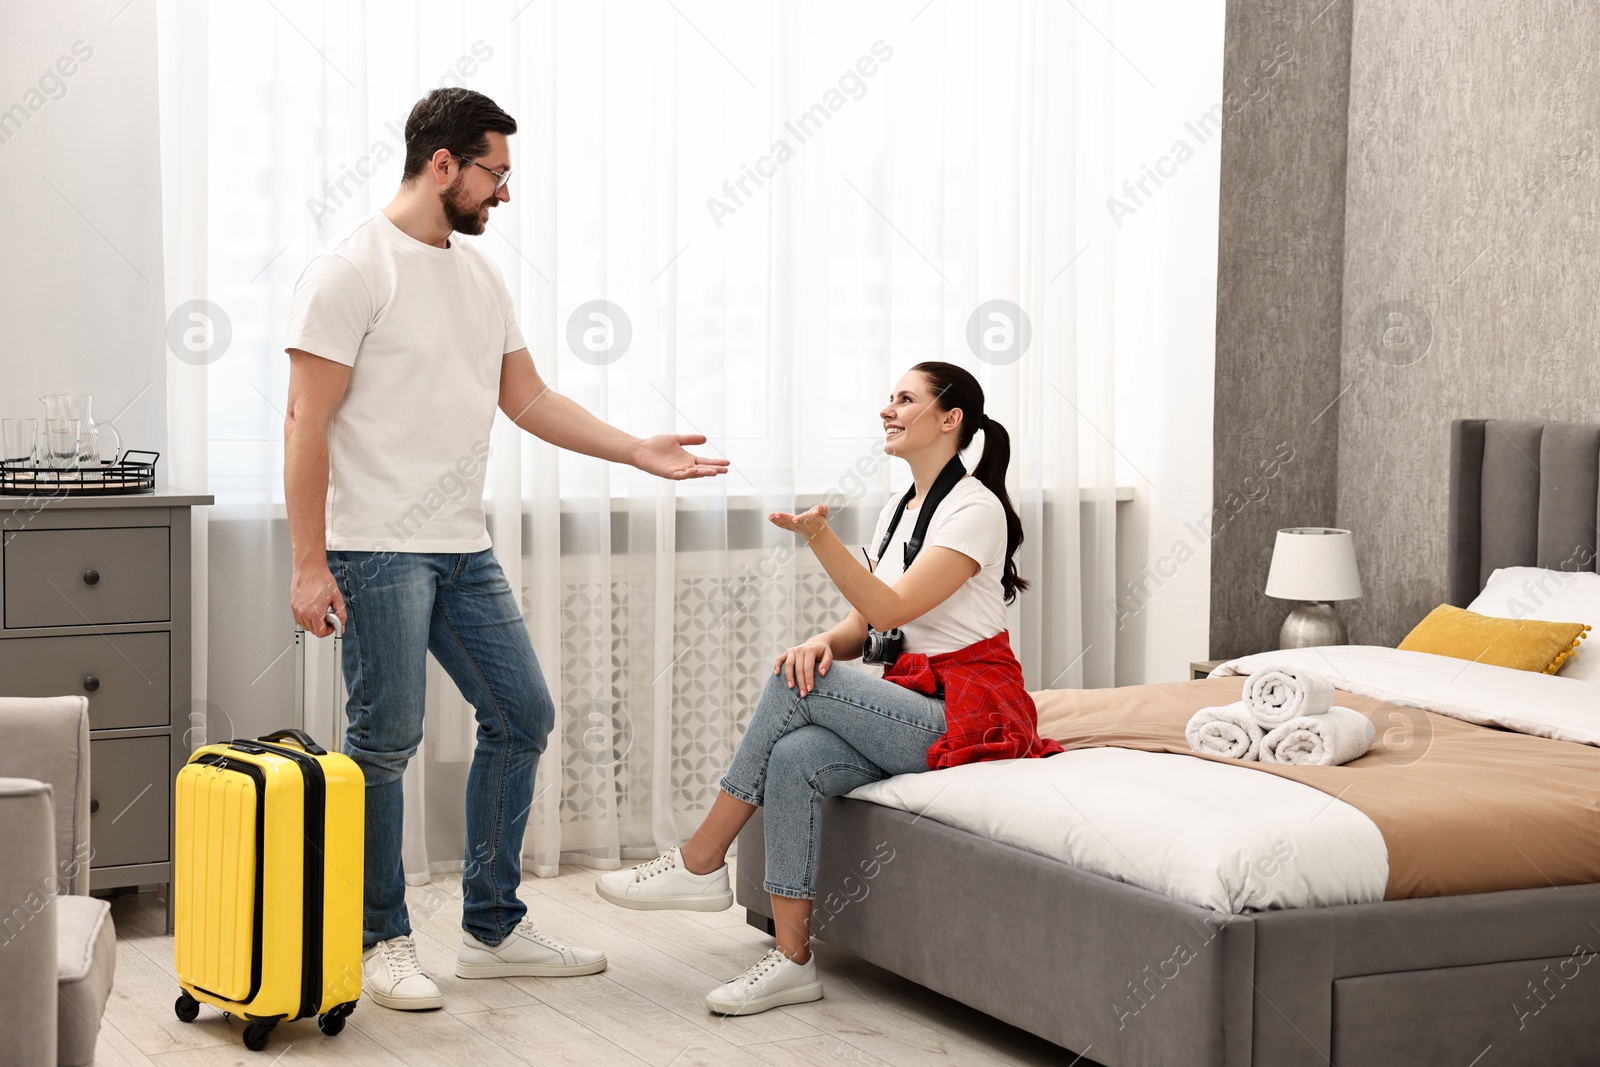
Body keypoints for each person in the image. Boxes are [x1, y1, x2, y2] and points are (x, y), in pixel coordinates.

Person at [283, 87, 728, 1011]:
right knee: (385, 744)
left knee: (522, 714)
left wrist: (636, 449)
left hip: (461, 546)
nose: (505, 195)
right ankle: (383, 938)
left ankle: (490, 926)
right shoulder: (350, 270)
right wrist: (307, 560)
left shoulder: (480, 278)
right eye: (496, 174)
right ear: (443, 165)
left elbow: (526, 400)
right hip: (375, 549)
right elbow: (304, 419)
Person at [595, 361, 1063, 1015]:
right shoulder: (902, 510)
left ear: (950, 419)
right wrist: (823, 643)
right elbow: (866, 622)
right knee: (795, 753)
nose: (887, 409)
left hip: (969, 715)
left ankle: (701, 858)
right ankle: (791, 960)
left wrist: (820, 538)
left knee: (796, 687)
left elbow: (893, 607)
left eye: (905, 399)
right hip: (914, 700)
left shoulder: (975, 509)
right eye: (888, 397)